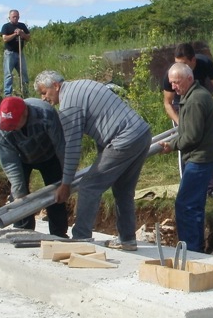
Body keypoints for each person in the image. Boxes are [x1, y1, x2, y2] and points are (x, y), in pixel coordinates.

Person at [34, 70, 151, 247]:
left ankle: (81, 238)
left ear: (56, 86)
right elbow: (103, 124)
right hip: (141, 134)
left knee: (89, 186)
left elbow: (73, 147)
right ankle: (127, 239)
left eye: (44, 92)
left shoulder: (68, 105)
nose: (44, 98)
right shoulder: (82, 84)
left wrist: (66, 184)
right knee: (123, 190)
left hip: (124, 139)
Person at [158, 63, 213, 252]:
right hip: (203, 157)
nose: (174, 87)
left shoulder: (194, 100)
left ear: (189, 79)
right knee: (195, 203)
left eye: (177, 83)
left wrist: (172, 145)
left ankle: (191, 249)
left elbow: (191, 136)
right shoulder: (194, 94)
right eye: (171, 84)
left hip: (200, 159)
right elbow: (189, 131)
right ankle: (197, 246)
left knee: (185, 205)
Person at [0, 96, 70, 237]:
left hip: (50, 155)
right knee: (19, 196)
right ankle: (23, 232)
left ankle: (59, 234)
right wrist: (19, 192)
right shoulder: (1, 128)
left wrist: (66, 181)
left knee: (56, 194)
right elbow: (9, 161)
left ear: (25, 114)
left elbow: (61, 146)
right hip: (21, 158)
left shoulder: (46, 114)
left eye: (14, 124)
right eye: (9, 125)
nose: (12, 129)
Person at [162, 43, 213, 200]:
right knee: (186, 147)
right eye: (176, 62)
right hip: (180, 107)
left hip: (201, 102)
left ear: (193, 61)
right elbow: (168, 103)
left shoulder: (205, 64)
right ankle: (189, 186)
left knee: (206, 147)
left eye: (182, 63)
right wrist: (181, 123)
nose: (178, 66)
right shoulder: (172, 74)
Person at [1, 9, 30, 97]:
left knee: (23, 73)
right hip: (10, 53)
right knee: (9, 74)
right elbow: (5, 38)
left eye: (17, 17)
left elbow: (28, 37)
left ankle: (25, 92)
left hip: (20, 53)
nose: (15, 18)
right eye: (14, 17)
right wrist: (15, 34)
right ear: (9, 17)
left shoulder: (22, 26)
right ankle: (8, 94)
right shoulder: (6, 26)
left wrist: (22, 34)